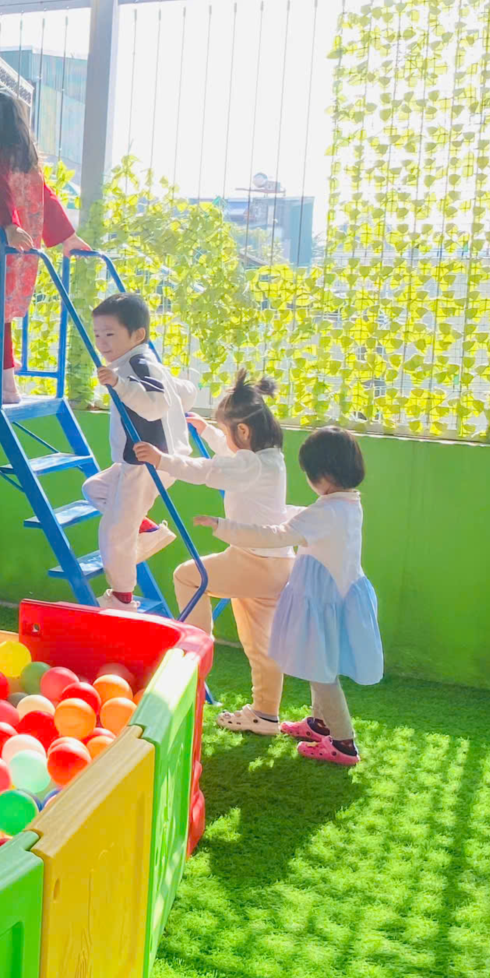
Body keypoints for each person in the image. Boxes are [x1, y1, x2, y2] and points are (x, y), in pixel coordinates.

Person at [192, 426, 382, 766]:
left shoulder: (325, 512)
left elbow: (277, 535)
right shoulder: (347, 504)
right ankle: (320, 723)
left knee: (321, 673)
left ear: (323, 474)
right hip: (336, 597)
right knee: (318, 661)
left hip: (322, 601)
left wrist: (224, 526)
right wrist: (273, 509)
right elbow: (301, 517)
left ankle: (343, 743)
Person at [131, 371, 293, 732]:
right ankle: (266, 714)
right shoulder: (271, 457)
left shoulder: (248, 464)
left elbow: (208, 470)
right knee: (261, 645)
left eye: (227, 431)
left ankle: (197, 648)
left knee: (187, 577)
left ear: (244, 431)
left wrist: (162, 460)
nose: (226, 438)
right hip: (278, 563)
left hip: (252, 561)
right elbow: (233, 457)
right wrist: (209, 432)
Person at [0, 91, 89, 404]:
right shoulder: (29, 167)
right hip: (20, 257)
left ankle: (4, 384)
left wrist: (8, 226)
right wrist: (67, 237)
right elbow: (48, 201)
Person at [83, 292, 187, 608]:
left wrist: (119, 384)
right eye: (97, 335)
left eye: (110, 334)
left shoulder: (139, 364)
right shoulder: (136, 362)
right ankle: (147, 529)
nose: (102, 342)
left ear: (138, 335)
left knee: (115, 530)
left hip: (146, 461)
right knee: (95, 489)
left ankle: (122, 598)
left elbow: (155, 405)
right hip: (142, 460)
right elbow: (182, 393)